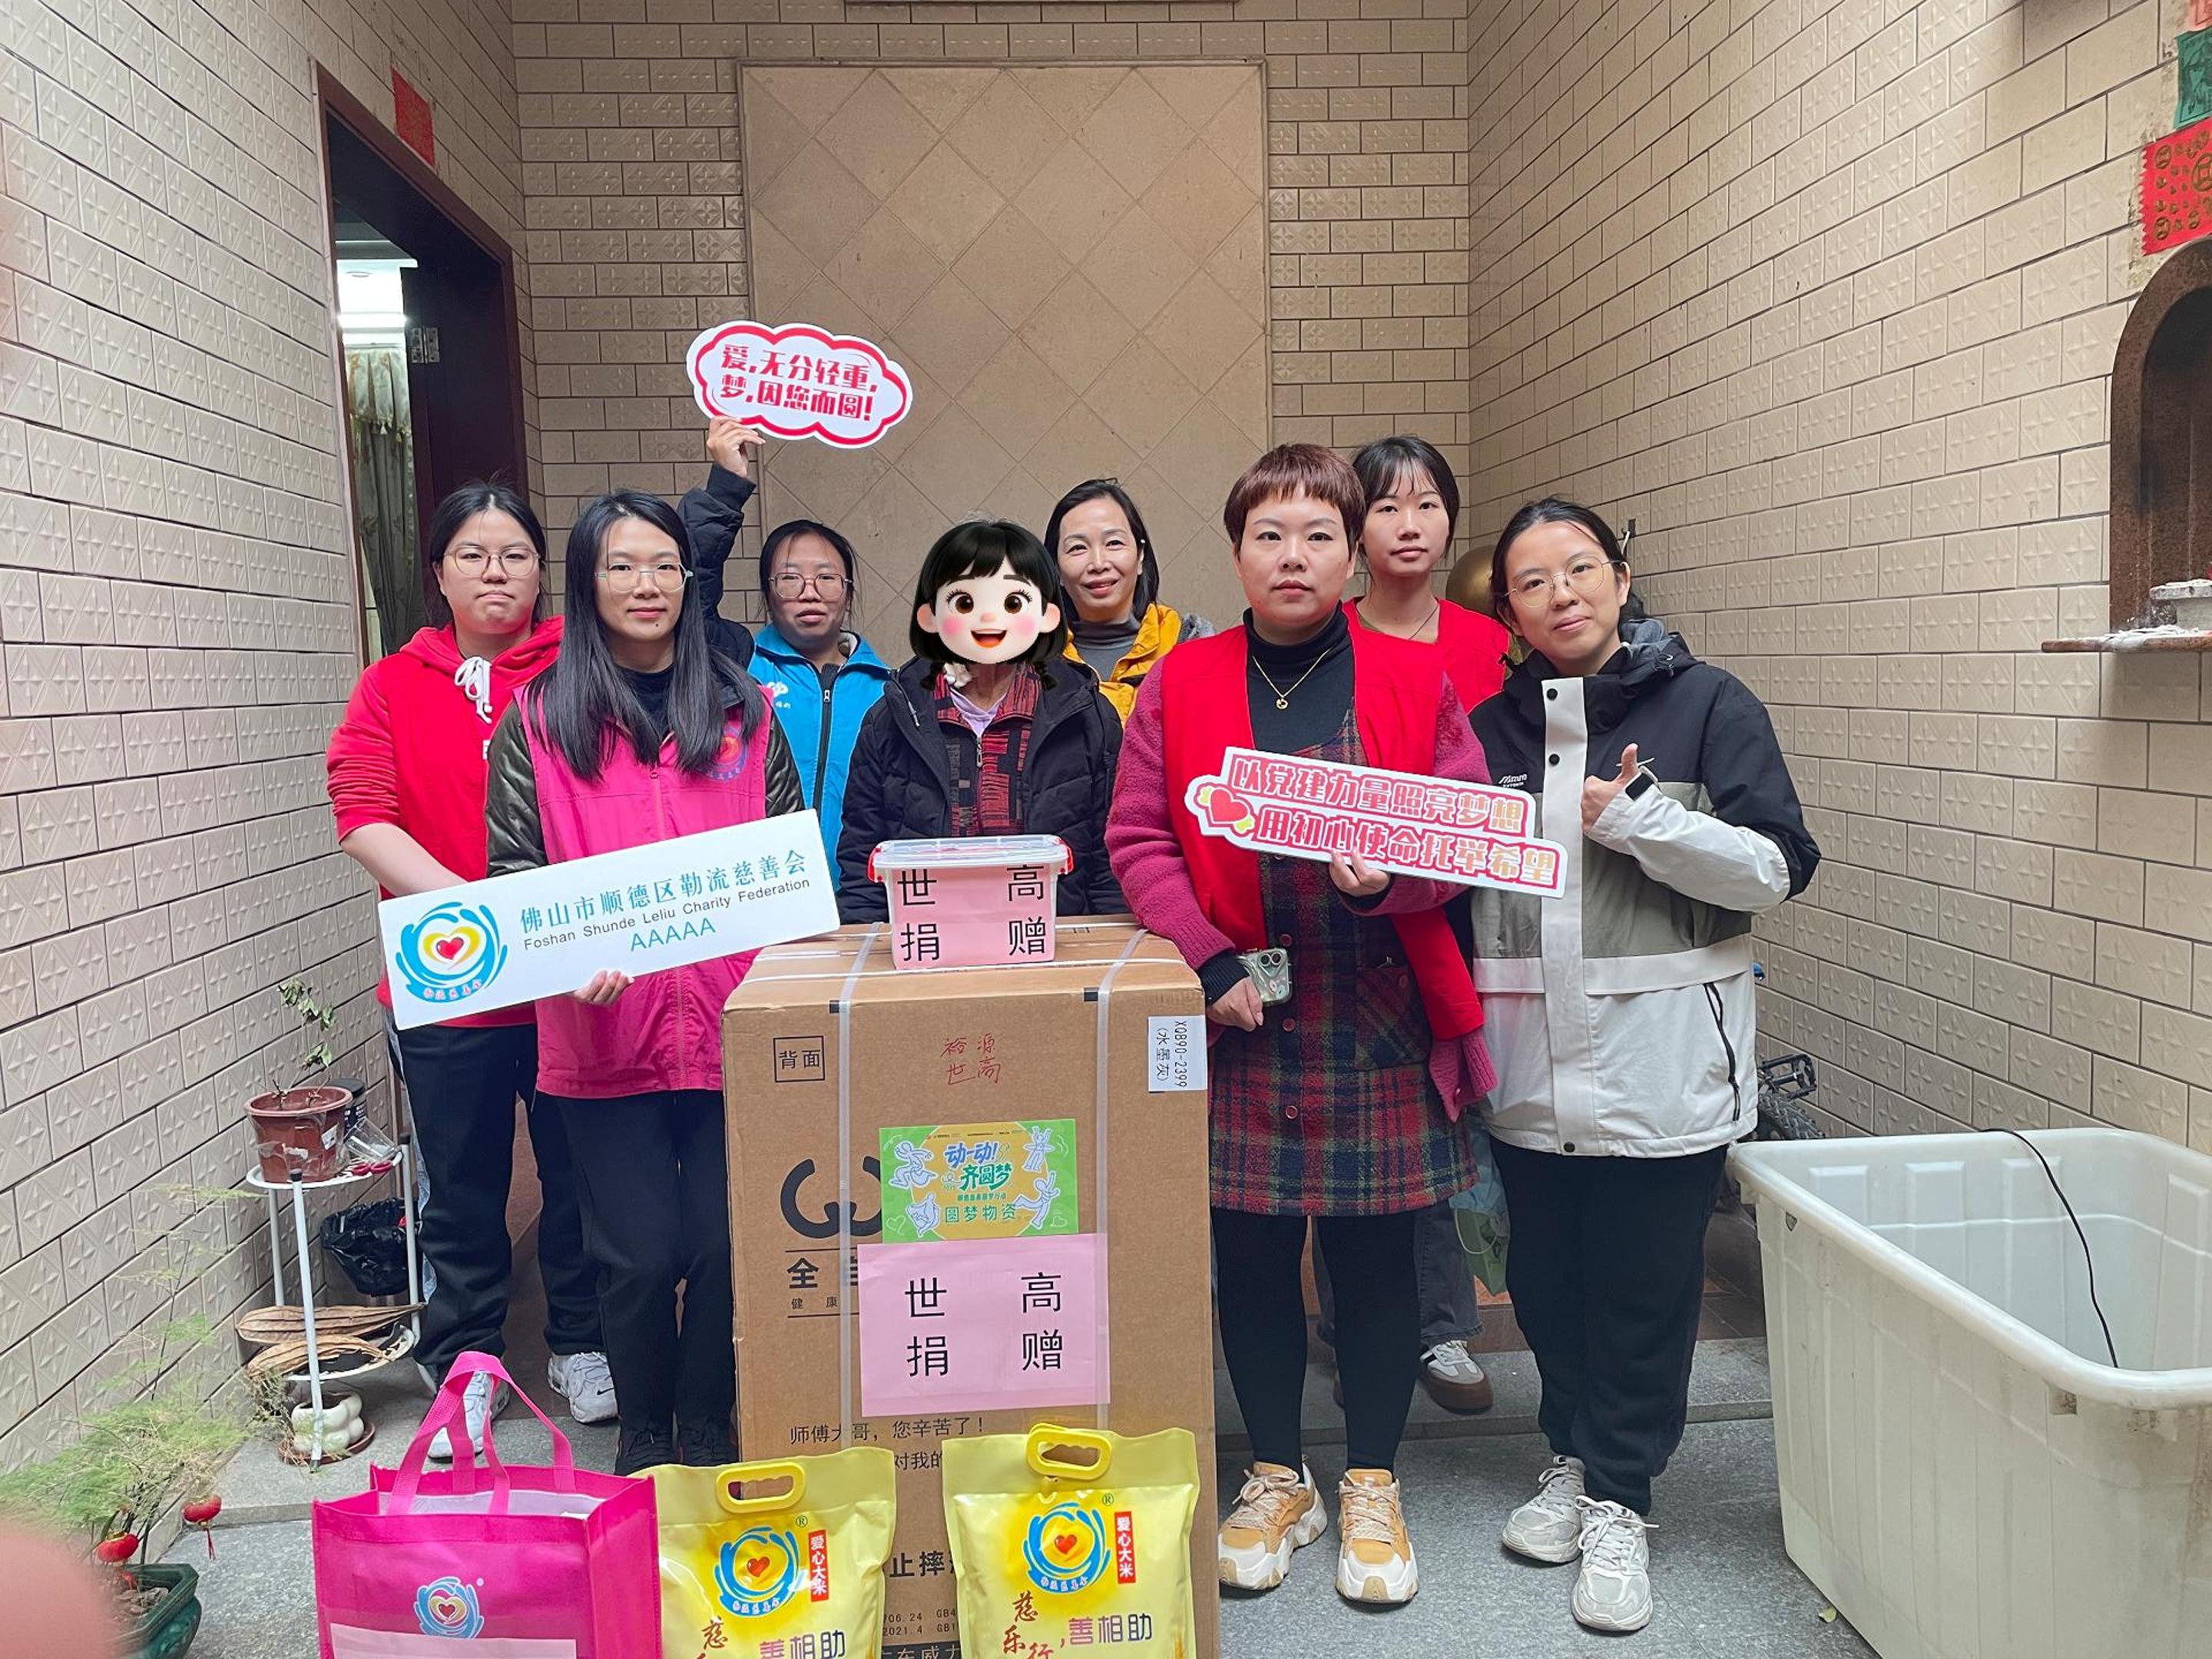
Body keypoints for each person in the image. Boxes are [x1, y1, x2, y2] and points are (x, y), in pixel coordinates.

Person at [1107, 444, 1496, 1608]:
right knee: (1253, 1263)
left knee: (1376, 1264)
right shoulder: (1183, 680)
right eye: (1269, 535)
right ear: (1236, 553)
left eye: (1319, 535)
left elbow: (1463, 830)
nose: (1294, 556)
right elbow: (1139, 838)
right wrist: (1206, 956)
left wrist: (1395, 881)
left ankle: (1371, 1478)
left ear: (1352, 552)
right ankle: (1278, 1475)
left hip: (1375, 1010)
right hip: (1242, 1016)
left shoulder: (1412, 677)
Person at [1469, 498, 1819, 1634]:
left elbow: (1775, 868)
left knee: (1642, 1291)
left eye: (1580, 568)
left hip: (1662, 1068)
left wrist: (1640, 821)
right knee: (1545, 1286)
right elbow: (1453, 882)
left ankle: (1621, 1498)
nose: (1560, 593)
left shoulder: (1710, 705)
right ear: (1510, 611)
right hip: (1528, 1068)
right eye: (1533, 581)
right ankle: (1573, 1460)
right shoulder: (1487, 730)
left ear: (1621, 580)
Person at [484, 489, 803, 1475]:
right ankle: (646, 1434)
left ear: (689, 579)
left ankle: (708, 1423)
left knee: (723, 1243)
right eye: (621, 565)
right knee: (636, 1255)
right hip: (602, 1034)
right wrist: (565, 954)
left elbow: (787, 862)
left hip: (731, 1025)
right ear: (586, 584)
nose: (646, 584)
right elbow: (512, 875)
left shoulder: (746, 712)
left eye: (664, 564)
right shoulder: (539, 720)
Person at [326, 481, 612, 1457]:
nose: (497, 573)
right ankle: (467, 1363)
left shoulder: (584, 670)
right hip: (448, 980)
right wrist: (475, 912)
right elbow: (363, 813)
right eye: (473, 556)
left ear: (543, 571)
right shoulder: (391, 685)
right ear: (439, 574)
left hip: (571, 983)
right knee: (461, 1190)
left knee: (580, 1176)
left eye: (516, 555)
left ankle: (581, 1343)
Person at [1313, 434, 1518, 1418]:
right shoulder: (1323, 638)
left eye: (1427, 504)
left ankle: (1441, 1321)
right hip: (1352, 913)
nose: (1408, 525)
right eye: (1386, 507)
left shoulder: (1492, 644)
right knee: (1346, 1126)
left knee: (1446, 1127)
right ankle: (1356, 1324)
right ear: (1357, 528)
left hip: (1476, 918)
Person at [834, 520, 1124, 921]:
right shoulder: (892, 718)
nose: (988, 617)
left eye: (1013, 602)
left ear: (1047, 615)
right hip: (927, 944)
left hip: (1054, 942)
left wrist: (1107, 946)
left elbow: (1111, 862)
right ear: (930, 615)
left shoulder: (1087, 715)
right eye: (965, 603)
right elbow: (863, 861)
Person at [747, 518, 891, 864]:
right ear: (768, 594)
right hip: (764, 880)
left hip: (859, 885)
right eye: (790, 579)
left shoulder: (888, 691)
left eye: (826, 578)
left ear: (848, 593)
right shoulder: (738, 678)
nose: (809, 593)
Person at [1045, 478, 1213, 719]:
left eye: (1114, 543)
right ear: (1057, 570)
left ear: (1140, 556)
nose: (1098, 563)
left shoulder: (1191, 647)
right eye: (1078, 547)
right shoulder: (1031, 663)